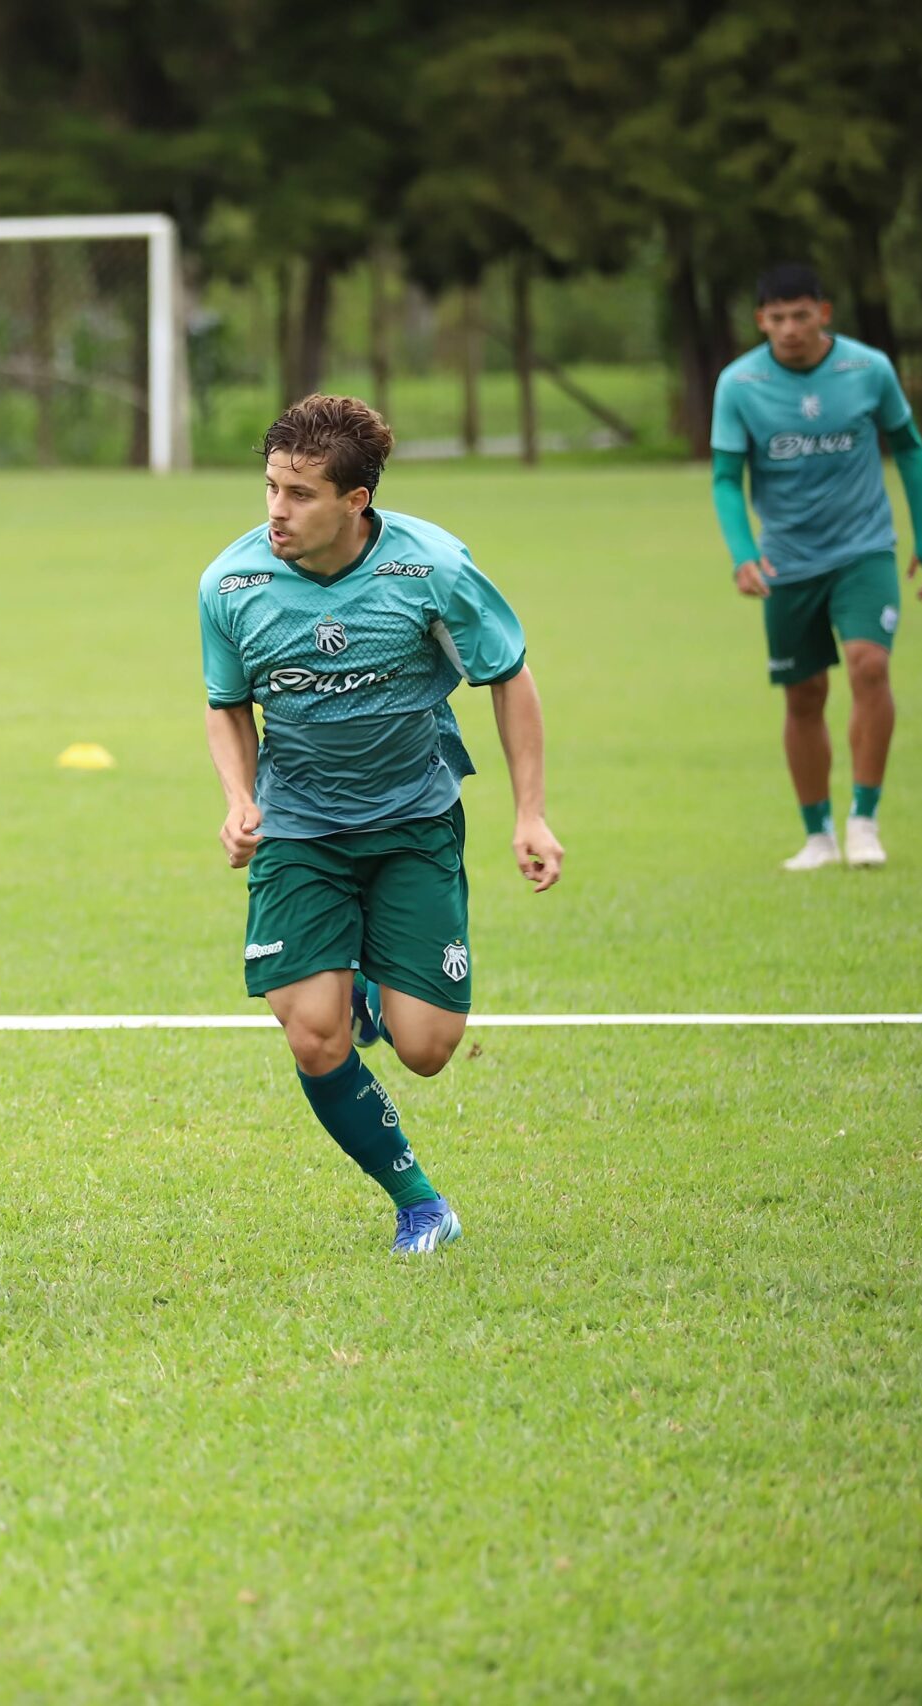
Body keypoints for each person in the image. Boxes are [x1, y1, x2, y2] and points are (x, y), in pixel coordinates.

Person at [199, 394, 564, 1256]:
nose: (276, 512)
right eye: (270, 489)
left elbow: (508, 676)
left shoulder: (432, 569)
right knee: (314, 1033)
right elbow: (225, 705)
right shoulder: (231, 584)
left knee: (427, 1048)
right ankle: (419, 1202)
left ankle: (367, 978)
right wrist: (239, 798)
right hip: (300, 831)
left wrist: (531, 815)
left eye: (299, 494)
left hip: (413, 820)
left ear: (355, 501)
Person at [710, 261, 922, 871]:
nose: (790, 329)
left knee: (870, 666)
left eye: (801, 315)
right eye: (777, 318)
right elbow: (726, 481)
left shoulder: (869, 370)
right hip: (786, 560)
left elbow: (911, 450)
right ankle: (818, 835)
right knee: (804, 694)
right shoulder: (739, 384)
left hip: (864, 549)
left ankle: (864, 820)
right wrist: (743, 554)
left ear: (824, 313)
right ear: (762, 321)